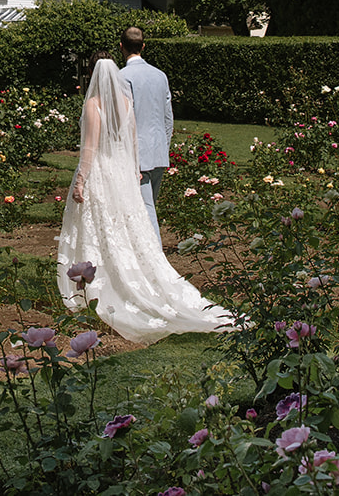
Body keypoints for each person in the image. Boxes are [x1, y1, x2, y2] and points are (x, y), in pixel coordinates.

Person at [55, 53, 236, 345]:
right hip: (124, 173)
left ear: (91, 74)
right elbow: (133, 142)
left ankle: (99, 283)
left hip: (102, 172)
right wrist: (134, 171)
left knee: (101, 230)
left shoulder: (93, 104)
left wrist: (80, 181)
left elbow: (89, 148)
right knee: (124, 229)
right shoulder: (126, 103)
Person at [119, 26, 171, 242]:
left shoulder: (122, 76)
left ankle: (156, 262)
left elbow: (123, 120)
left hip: (136, 156)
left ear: (121, 46)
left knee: (146, 213)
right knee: (148, 209)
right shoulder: (160, 75)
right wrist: (163, 146)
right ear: (143, 46)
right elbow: (168, 118)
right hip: (159, 152)